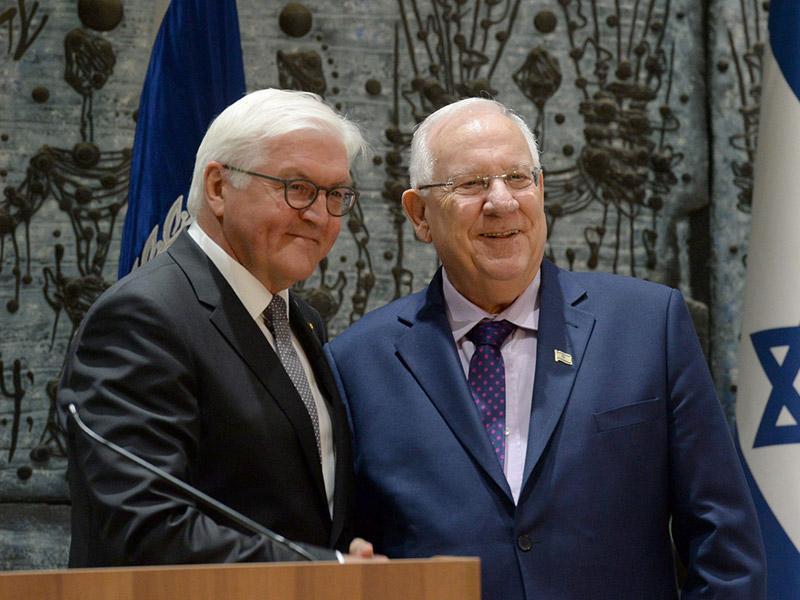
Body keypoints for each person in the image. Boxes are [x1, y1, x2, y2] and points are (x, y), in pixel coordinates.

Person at [325, 97, 766, 598]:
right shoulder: (357, 364)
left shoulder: (647, 327)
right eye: (470, 184)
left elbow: (724, 542)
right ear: (420, 214)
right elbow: (346, 556)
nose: (502, 201)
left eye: (518, 178)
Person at [58, 88, 376, 566]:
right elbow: (146, 524)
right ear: (218, 188)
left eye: (337, 195)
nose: (319, 215)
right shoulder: (144, 317)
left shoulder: (302, 320)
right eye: (297, 188)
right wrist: (327, 571)